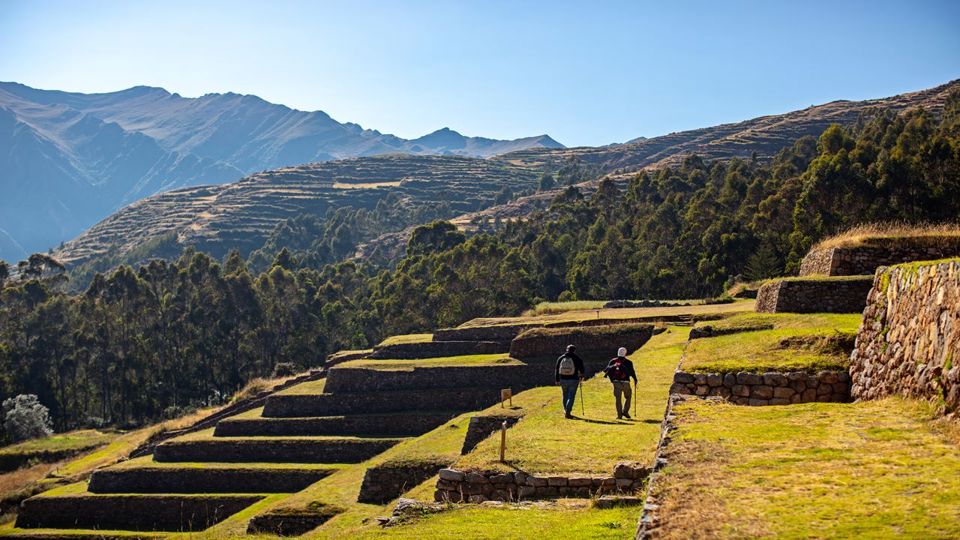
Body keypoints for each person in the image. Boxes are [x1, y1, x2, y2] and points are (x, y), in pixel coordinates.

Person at [603, 347, 638, 419]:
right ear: (625, 353)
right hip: (626, 382)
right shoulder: (629, 362)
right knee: (628, 397)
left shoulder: (613, 361)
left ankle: (619, 415)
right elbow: (632, 372)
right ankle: (625, 411)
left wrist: (612, 380)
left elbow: (606, 370)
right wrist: (635, 380)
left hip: (616, 382)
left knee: (618, 399)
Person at [555, 344, 585, 419]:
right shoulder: (577, 358)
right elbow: (582, 369)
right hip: (574, 379)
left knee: (565, 395)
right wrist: (581, 376)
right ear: (574, 350)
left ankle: (565, 410)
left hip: (563, 379)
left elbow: (557, 369)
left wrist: (557, 379)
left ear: (566, 349)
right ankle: (568, 412)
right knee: (571, 396)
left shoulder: (561, 358)